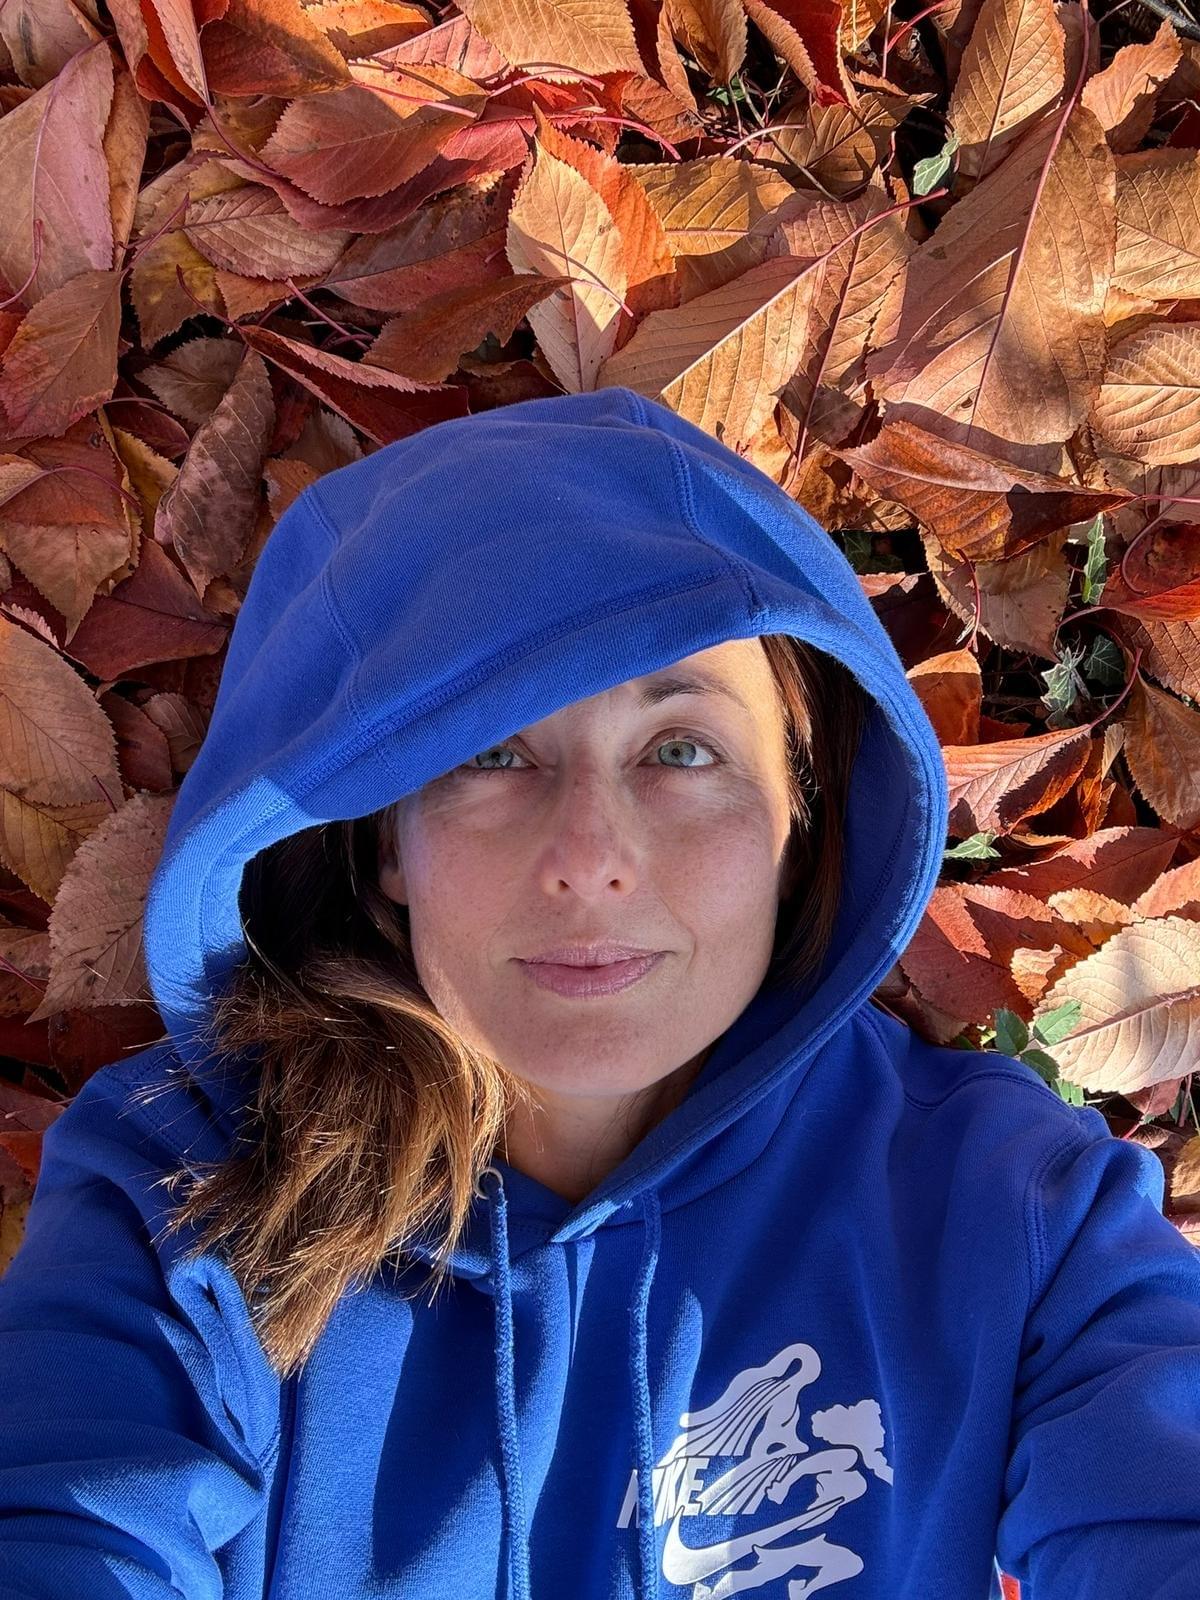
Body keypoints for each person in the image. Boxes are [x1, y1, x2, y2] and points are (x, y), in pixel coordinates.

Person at [0, 386, 1197, 1600]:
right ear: (385, 843)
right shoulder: (181, 1198)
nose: (588, 857)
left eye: (680, 750)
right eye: (491, 751)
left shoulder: (1003, 1207)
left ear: (798, 817)